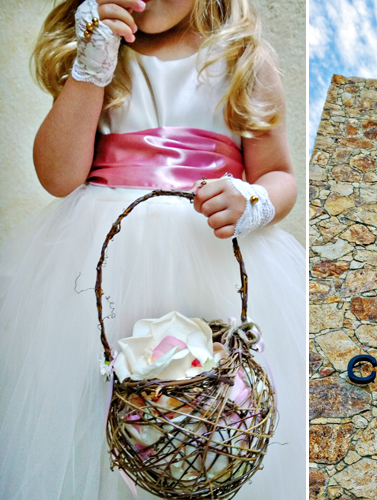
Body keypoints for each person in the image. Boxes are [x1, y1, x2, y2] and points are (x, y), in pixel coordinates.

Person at [0, 0, 306, 498]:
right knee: (95, 414)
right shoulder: (99, 54)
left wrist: (254, 199)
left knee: (213, 407)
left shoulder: (242, 57)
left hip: (209, 259)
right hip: (100, 266)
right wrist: (90, 65)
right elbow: (58, 176)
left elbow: (280, 175)